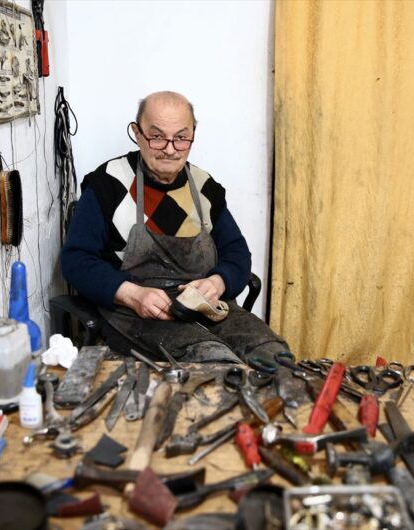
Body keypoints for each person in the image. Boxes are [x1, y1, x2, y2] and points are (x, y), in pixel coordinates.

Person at [61, 91, 289, 363]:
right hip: (135, 315)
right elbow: (76, 260)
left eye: (181, 138)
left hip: (204, 308)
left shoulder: (205, 187)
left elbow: (237, 254)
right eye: (157, 137)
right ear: (137, 133)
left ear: (193, 136)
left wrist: (218, 282)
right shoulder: (108, 183)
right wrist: (132, 295)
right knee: (212, 361)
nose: (170, 149)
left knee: (273, 355)